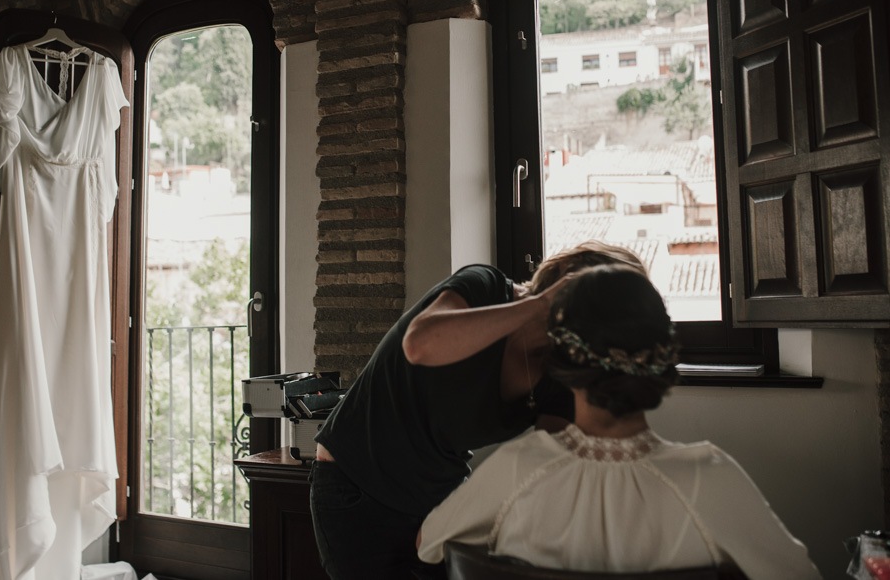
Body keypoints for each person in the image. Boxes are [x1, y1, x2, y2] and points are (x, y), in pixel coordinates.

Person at [417, 264, 822, 580]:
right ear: (661, 357)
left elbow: (427, 544)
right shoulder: (707, 478)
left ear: (561, 359)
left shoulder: (517, 468)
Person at [310, 241, 646, 579]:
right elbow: (420, 345)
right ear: (562, 274)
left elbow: (550, 461)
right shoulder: (483, 286)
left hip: (435, 500)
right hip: (356, 490)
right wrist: (541, 305)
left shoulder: (560, 374)